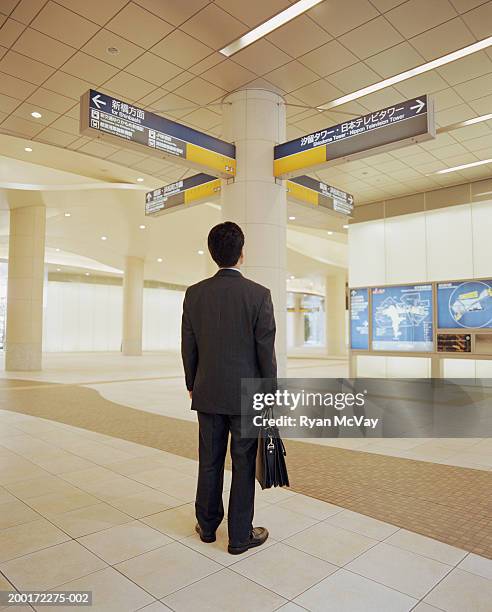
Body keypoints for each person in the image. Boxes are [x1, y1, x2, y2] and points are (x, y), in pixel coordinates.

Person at [181, 221, 277, 555]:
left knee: (209, 460)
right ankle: (239, 535)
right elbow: (266, 351)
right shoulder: (258, 295)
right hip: (247, 396)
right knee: (244, 462)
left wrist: (192, 383)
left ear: (213, 253)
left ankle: (207, 527)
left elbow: (188, 345)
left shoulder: (194, 294)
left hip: (207, 392)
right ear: (241, 253)